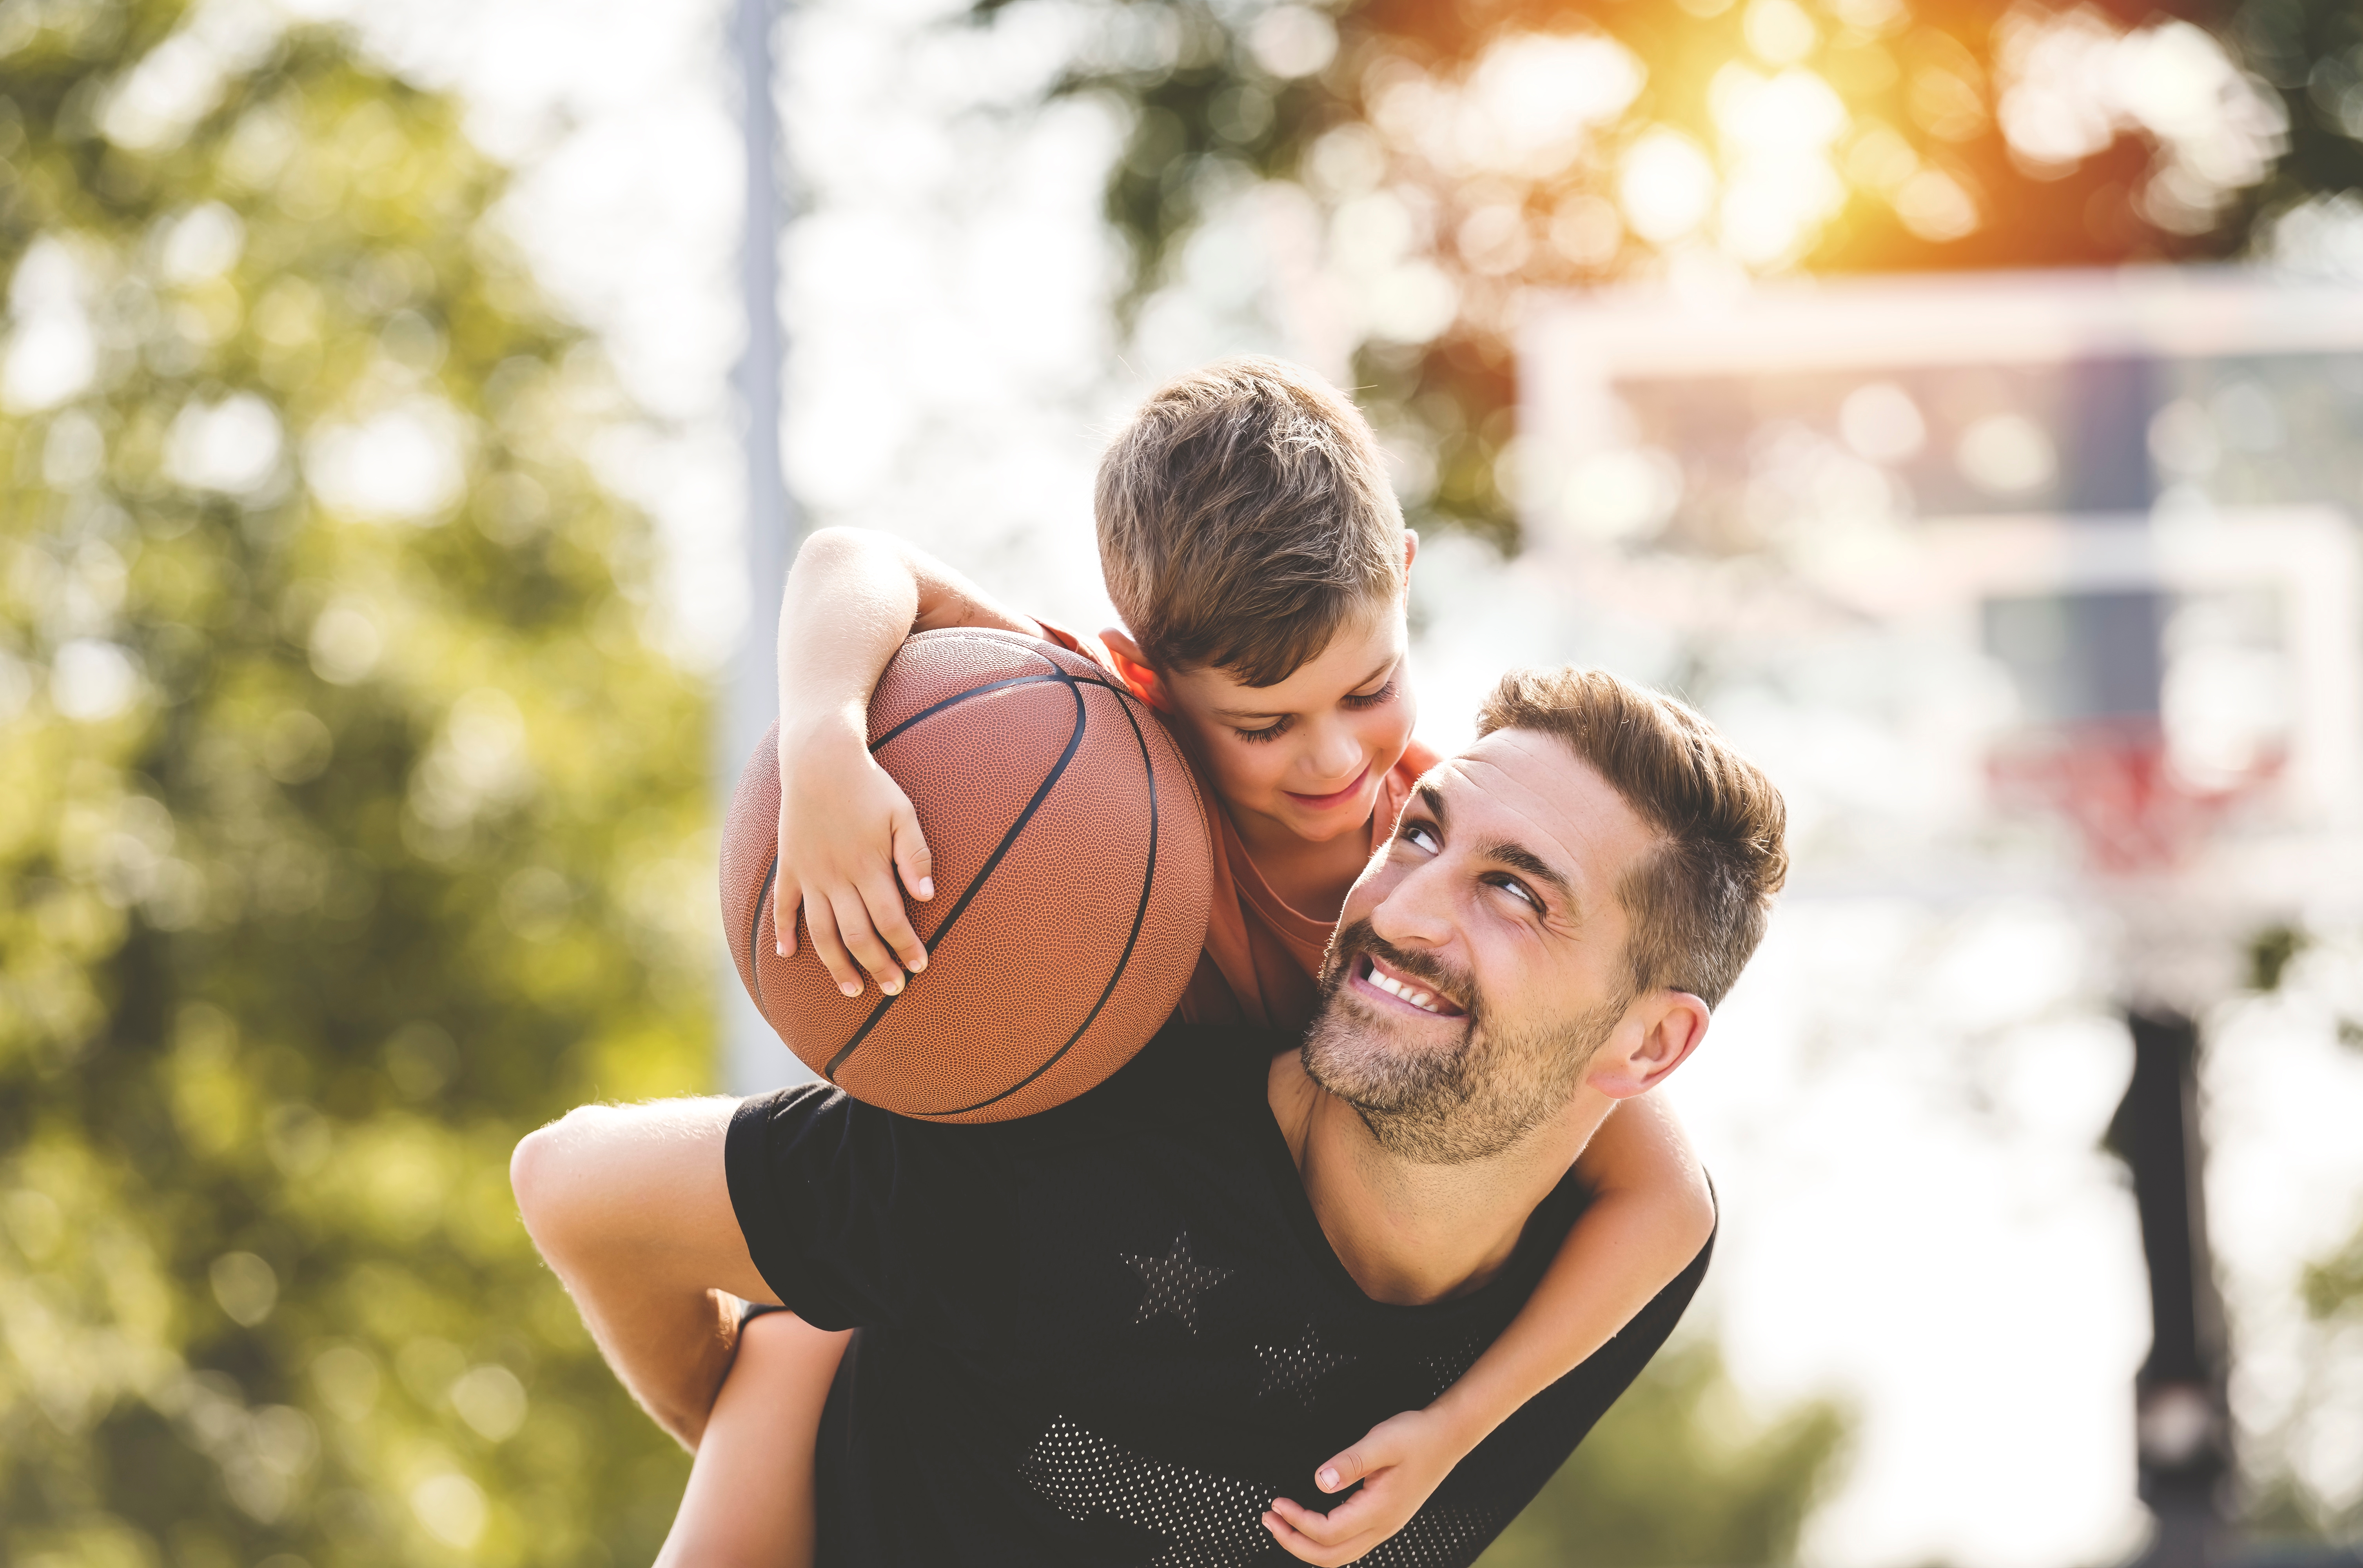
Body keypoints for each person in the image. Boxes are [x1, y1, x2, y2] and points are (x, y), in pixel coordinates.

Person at [660, 358, 1717, 1565]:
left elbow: (1667, 1201)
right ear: (1148, 676)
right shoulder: (1094, 781)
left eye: (1367, 689)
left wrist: (1456, 1429)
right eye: (1263, 726)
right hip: (974, 1238)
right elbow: (852, 564)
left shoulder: (1431, 870)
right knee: (799, 1332)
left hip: (1156, 1306)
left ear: (1404, 579)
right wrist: (823, 737)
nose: (1333, 760)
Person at [512, 664, 1788, 1566]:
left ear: (1651, 1043)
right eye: (1419, 832)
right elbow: (570, 1184)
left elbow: (1669, 1198)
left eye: (1515, 893)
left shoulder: (1609, 1268)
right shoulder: (1050, 1163)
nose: (1402, 909)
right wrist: (735, 1403)